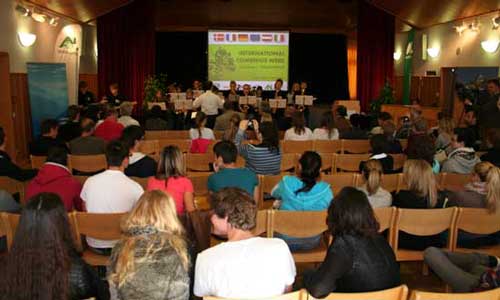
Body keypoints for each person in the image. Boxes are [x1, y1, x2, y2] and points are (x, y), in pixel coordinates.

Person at [0, 193, 110, 300]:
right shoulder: (78, 272)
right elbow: (104, 295)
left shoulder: (6, 269)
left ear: (22, 226)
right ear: (62, 224)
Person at [194, 188, 296, 299]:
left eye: (213, 213)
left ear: (227, 218)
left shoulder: (206, 258)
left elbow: (203, 296)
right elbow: (287, 291)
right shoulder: (280, 247)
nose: (210, 218)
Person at [304, 187, 400, 297]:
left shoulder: (343, 245)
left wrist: (307, 276)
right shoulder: (380, 239)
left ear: (336, 216)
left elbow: (318, 290)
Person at [108, 190, 190, 300]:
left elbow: (114, 293)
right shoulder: (177, 250)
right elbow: (180, 295)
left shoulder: (120, 247)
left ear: (137, 211)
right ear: (170, 215)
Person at [80, 141, 144, 254]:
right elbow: (140, 219)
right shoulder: (135, 187)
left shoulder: (90, 182)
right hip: (123, 246)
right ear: (125, 161)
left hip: (94, 244)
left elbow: (85, 210)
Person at [271, 151, 333, 250]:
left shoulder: (286, 182)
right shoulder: (326, 191)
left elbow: (273, 192)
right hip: (312, 240)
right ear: (320, 170)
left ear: (299, 166)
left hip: (284, 239)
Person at [392, 159, 446, 250]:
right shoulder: (440, 198)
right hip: (433, 243)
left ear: (410, 177)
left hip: (406, 241)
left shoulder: (401, 197)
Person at [26, 146, 83, 212]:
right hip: (58, 221)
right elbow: (82, 209)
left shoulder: (31, 183)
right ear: (67, 160)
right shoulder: (73, 184)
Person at [423, 247, 500, 292]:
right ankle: (493, 260)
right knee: (473, 261)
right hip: (487, 273)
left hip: (479, 287)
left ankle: (491, 260)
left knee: (430, 253)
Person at [147, 146, 195, 215]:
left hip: (157, 222)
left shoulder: (151, 181)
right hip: (176, 222)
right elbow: (191, 211)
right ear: (179, 162)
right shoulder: (186, 182)